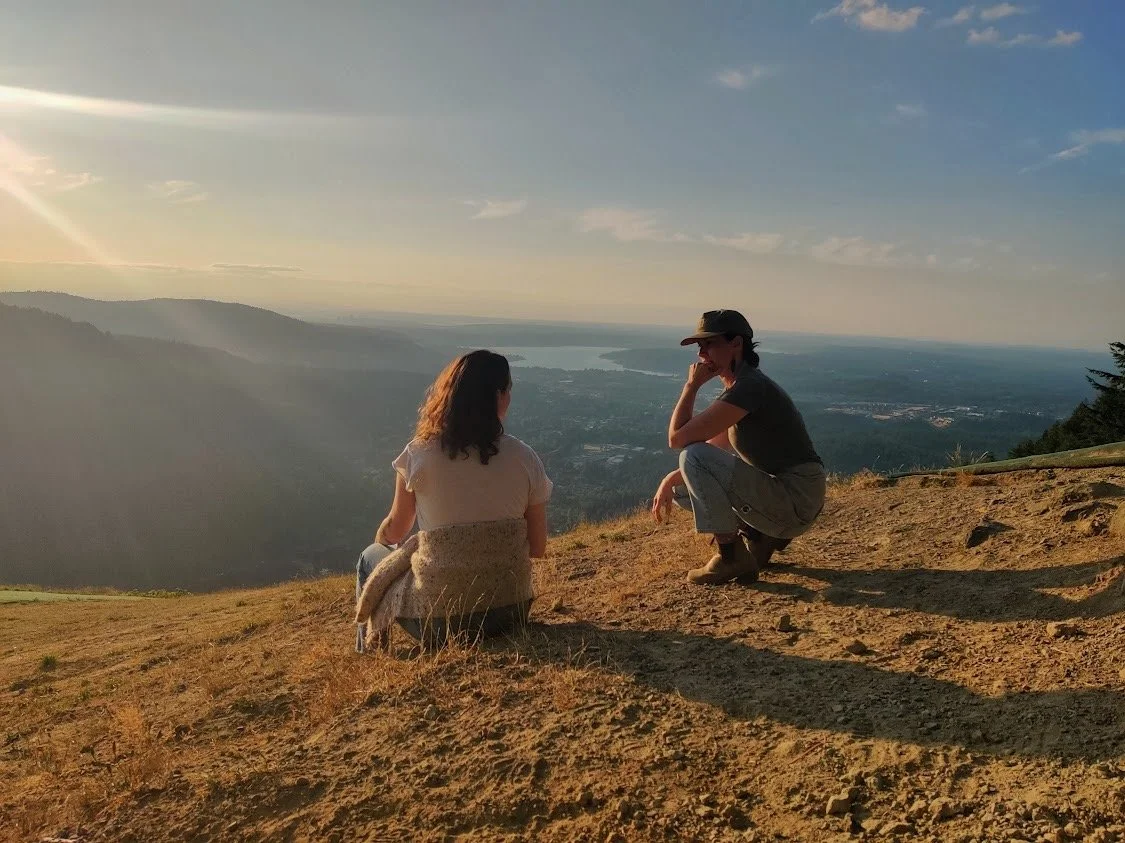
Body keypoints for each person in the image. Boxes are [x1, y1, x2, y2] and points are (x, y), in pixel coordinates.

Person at [355, 350, 552, 650]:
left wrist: (384, 540)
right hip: (510, 612)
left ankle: (369, 652)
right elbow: (537, 547)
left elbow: (395, 530)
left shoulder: (418, 455)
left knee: (371, 556)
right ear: (499, 396)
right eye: (509, 390)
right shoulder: (525, 458)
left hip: (438, 620)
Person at [651, 309, 825, 585]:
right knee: (682, 487)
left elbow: (678, 440)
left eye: (710, 343)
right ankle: (760, 537)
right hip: (788, 496)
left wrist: (691, 386)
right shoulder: (743, 388)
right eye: (700, 346)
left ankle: (731, 556)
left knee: (692, 456)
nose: (701, 353)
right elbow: (714, 450)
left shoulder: (748, 388)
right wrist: (668, 481)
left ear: (736, 344)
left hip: (796, 498)